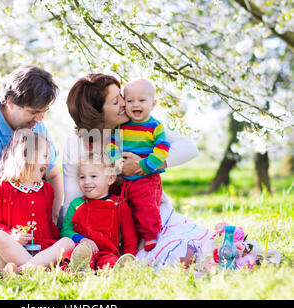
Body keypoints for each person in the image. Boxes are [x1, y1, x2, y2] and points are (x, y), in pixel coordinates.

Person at [63, 73, 214, 269]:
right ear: (98, 113)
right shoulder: (78, 143)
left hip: (148, 216)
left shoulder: (139, 126)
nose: (126, 104)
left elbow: (189, 148)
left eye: (122, 97)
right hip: (109, 224)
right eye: (117, 101)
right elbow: (73, 199)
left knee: (192, 255)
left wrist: (144, 164)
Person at [0, 65, 64, 267]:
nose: (40, 119)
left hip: (37, 239)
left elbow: (53, 174)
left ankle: (32, 266)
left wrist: (52, 221)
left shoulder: (35, 125)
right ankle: (34, 267)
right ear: (11, 103)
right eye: (34, 112)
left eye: (44, 112)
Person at [0, 129, 74, 274]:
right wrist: (12, 235)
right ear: (27, 156)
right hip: (15, 252)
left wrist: (57, 244)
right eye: (45, 156)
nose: (48, 163)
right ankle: (38, 269)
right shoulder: (2, 188)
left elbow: (50, 225)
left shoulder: (47, 189)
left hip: (44, 251)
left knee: (68, 242)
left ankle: (24, 270)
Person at [107, 79, 170, 252]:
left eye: (142, 100)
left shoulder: (155, 126)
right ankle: (127, 240)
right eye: (130, 100)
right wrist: (116, 158)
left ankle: (150, 234)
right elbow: (112, 144)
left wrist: (147, 165)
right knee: (125, 209)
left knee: (146, 206)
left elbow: (163, 147)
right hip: (125, 179)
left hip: (146, 178)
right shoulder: (121, 126)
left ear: (153, 104)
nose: (136, 104)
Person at [60, 152, 137, 271]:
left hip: (107, 253)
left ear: (110, 178)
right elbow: (66, 230)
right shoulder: (76, 204)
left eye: (93, 176)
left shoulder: (119, 204)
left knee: (110, 262)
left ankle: (114, 269)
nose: (86, 182)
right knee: (73, 256)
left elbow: (130, 238)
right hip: (82, 250)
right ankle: (79, 268)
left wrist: (129, 258)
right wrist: (82, 239)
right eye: (82, 177)